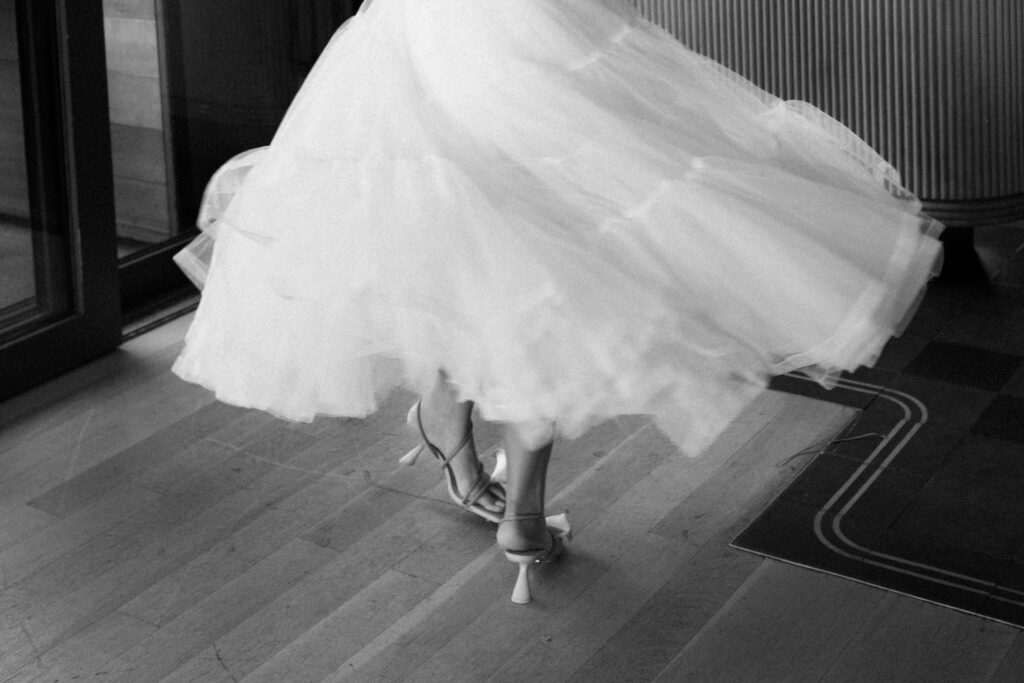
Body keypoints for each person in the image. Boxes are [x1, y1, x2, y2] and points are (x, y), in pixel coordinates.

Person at [172, 0, 943, 604]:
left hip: (435, 26)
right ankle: (516, 498)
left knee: (485, 224)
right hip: (526, 24)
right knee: (546, 237)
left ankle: (462, 437)